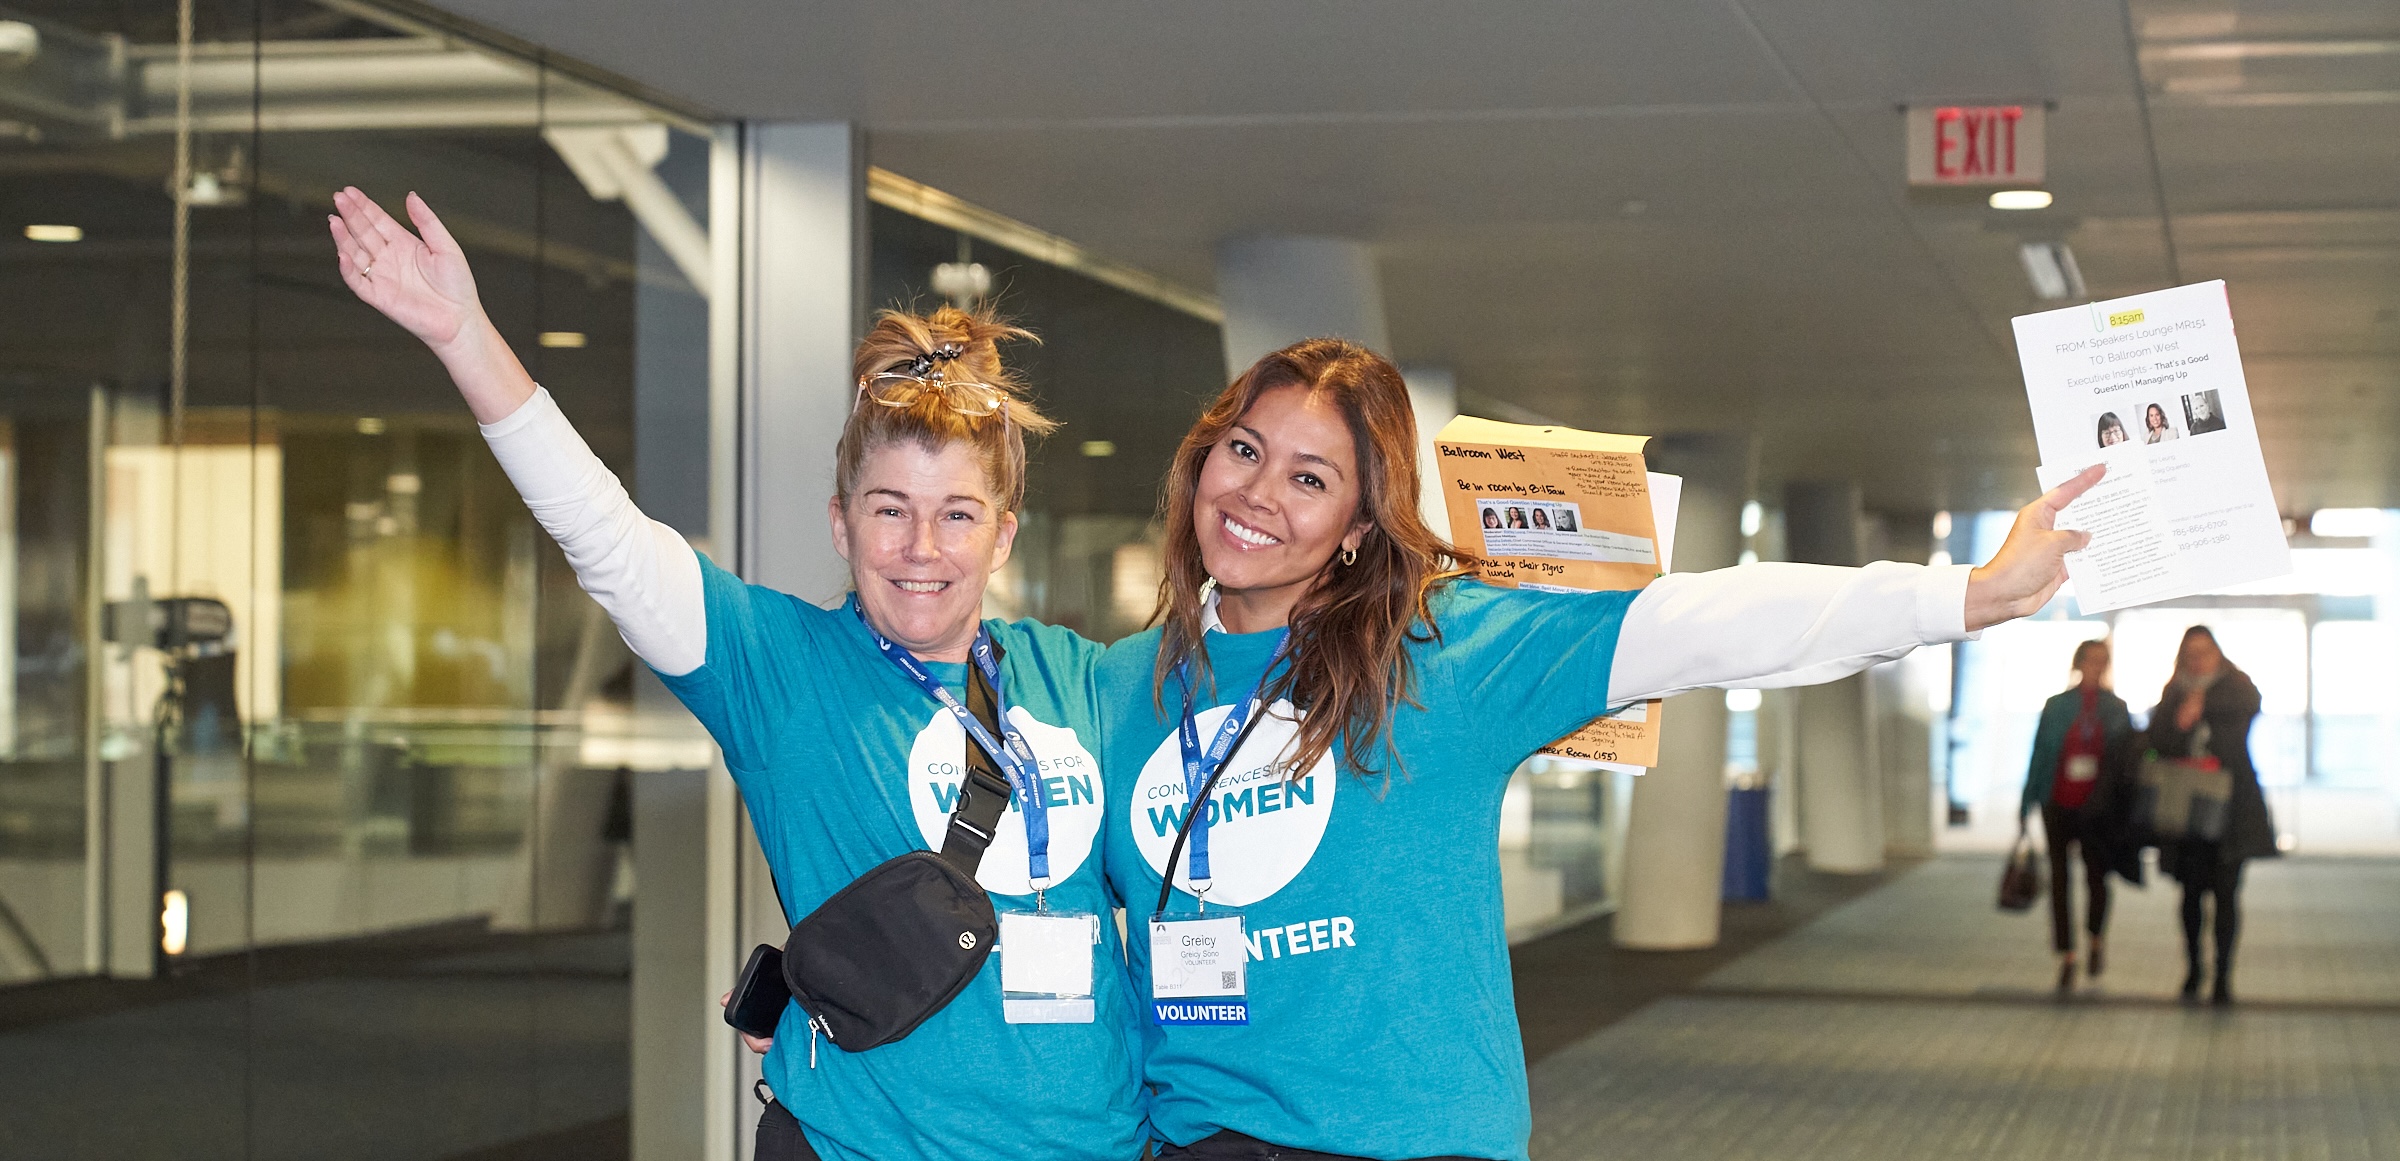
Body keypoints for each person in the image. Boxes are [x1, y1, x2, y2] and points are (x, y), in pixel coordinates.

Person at [1095, 338, 2098, 1161]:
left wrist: (1963, 594)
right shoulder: (1114, 688)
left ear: (1359, 525)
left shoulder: (1443, 659)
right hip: (1198, 1140)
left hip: (1408, 1140)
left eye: (1309, 477)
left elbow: (1703, 622)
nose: (1258, 492)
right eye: (1243, 450)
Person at [328, 190, 1141, 1161]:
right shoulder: (780, 669)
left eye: (958, 514)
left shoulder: (1081, 680)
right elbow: (609, 542)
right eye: (889, 510)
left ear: (1004, 533)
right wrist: (466, 336)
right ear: (841, 524)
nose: (922, 546)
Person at [2147, 625, 2277, 1006]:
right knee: (2189, 896)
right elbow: (2157, 741)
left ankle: (2222, 974)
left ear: (2218, 652)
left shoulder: (2236, 686)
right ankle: (2193, 968)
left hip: (2230, 810)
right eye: (2192, 652)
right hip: (2186, 809)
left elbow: (2249, 710)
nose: (2199, 659)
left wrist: (2205, 706)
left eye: (2205, 651)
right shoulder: (2174, 691)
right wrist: (2180, 722)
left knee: (2225, 894)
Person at [2019, 638, 2138, 991]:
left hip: (2097, 807)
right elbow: (2040, 753)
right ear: (2079, 662)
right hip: (2057, 801)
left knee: (2097, 875)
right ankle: (2067, 952)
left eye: (2103, 660)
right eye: (2092, 660)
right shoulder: (2056, 706)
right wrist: (2026, 801)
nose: (2097, 666)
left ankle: (2096, 938)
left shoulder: (2116, 708)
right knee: (2060, 878)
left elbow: (2126, 761)